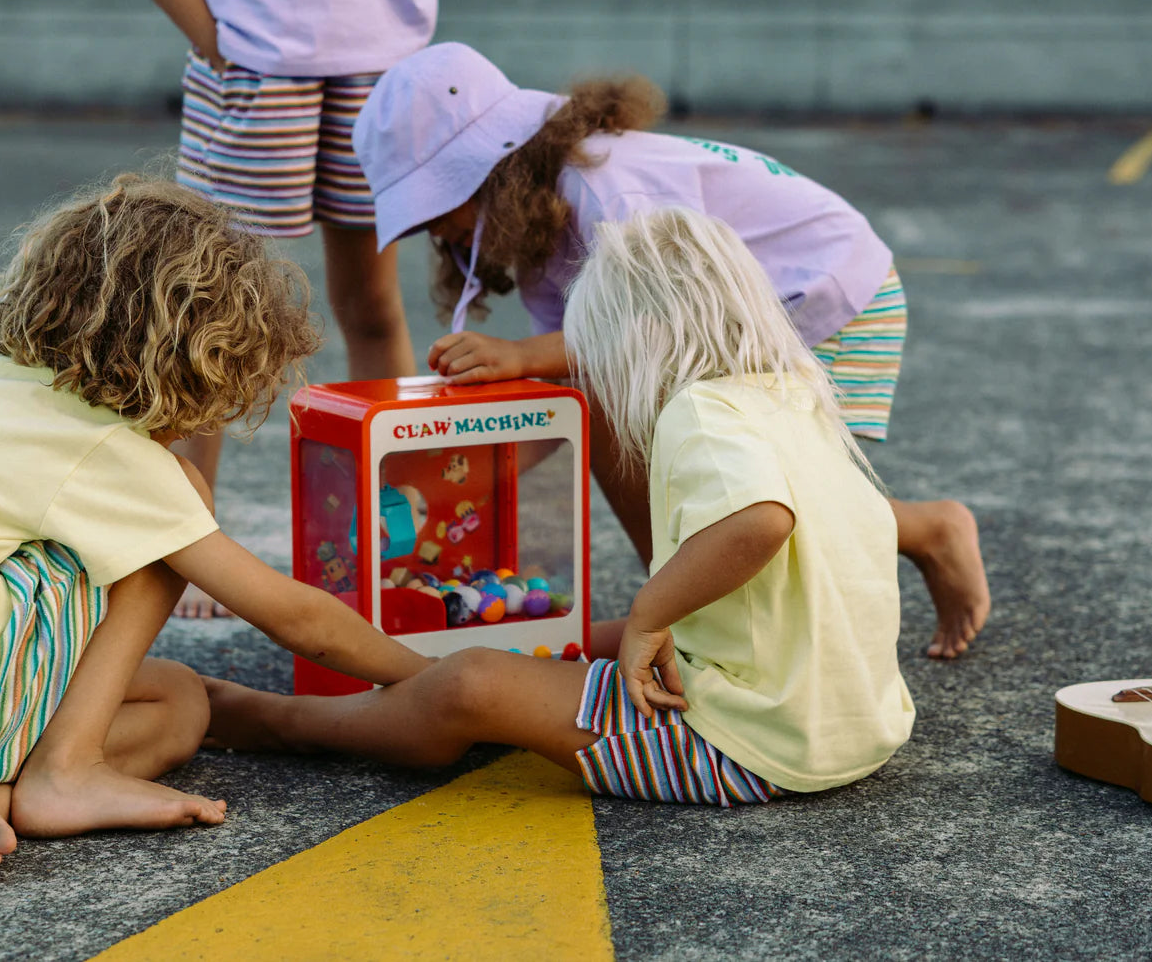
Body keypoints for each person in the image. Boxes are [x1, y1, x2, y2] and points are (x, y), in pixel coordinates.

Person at [0, 176, 431, 880]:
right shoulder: (98, 447)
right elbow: (295, 617)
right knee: (178, 503)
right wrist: (428, 677)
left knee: (178, 705)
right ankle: (63, 772)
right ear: (188, 365)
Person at [203, 210, 915, 806]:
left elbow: (760, 520)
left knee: (471, 683)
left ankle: (285, 720)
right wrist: (640, 626)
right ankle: (413, 669)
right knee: (577, 637)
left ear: (639, 342)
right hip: (851, 727)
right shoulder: (794, 391)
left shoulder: (702, 411)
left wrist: (650, 614)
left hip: (744, 746)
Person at [351, 42, 990, 659]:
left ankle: (929, 532)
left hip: (825, 298)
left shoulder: (606, 191)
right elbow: (580, 377)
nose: (434, 230)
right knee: (661, 440)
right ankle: (680, 597)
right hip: (744, 314)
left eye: (437, 206)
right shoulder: (546, 221)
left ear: (494, 167)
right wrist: (462, 476)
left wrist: (520, 357)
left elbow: (659, 318)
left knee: (783, 485)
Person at [104, 0, 438, 615]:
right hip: (257, 67)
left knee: (376, 303)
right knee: (209, 302)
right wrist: (219, 42)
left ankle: (397, 535)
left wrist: (405, 1)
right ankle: (188, 538)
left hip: (379, 69)